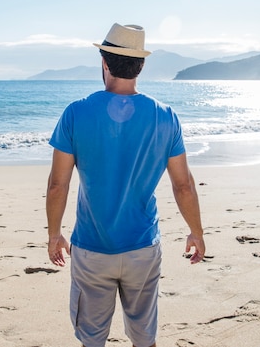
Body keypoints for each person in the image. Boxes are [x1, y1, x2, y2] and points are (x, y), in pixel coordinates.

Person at [46, 23, 205, 347]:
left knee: (92, 340)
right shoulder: (165, 116)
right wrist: (196, 232)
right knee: (144, 339)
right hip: (142, 248)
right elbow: (184, 185)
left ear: (104, 62)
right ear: (141, 66)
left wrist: (54, 234)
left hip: (92, 249)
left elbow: (58, 185)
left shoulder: (76, 112)